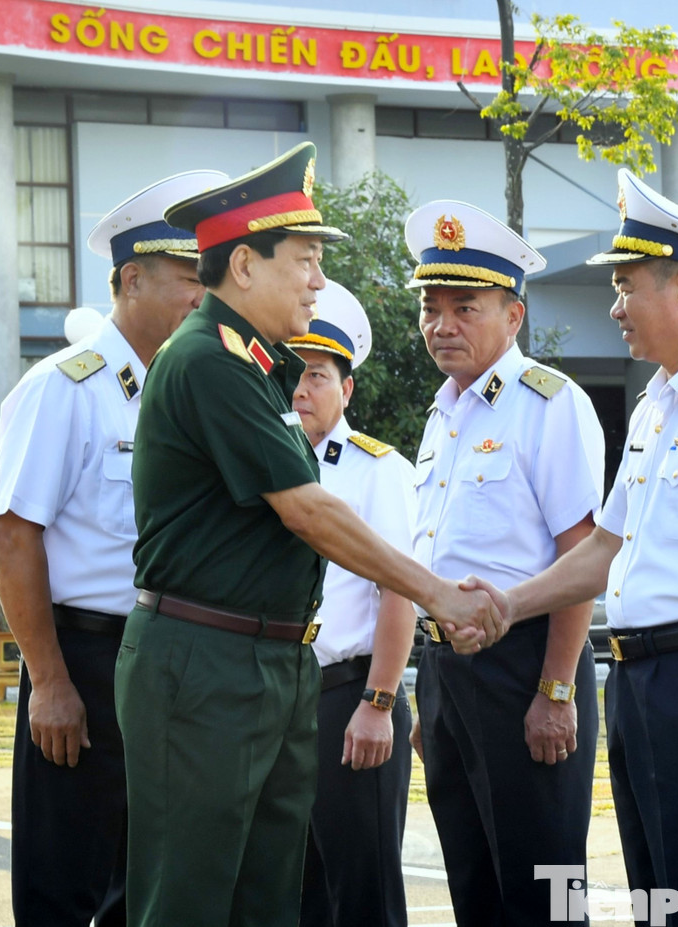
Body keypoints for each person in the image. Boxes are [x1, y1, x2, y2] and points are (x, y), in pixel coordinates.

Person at [114, 141, 501, 927]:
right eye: (306, 259)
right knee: (186, 898)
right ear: (247, 267)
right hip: (206, 666)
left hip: (264, 661)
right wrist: (434, 594)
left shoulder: (255, 366)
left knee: (267, 899)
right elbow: (307, 509)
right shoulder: (208, 361)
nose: (319, 281)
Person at [471, 168, 678, 926]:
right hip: (640, 684)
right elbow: (603, 549)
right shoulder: (659, 403)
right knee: (662, 902)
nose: (615, 309)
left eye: (627, 288)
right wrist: (510, 604)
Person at [0, 168, 226, 927]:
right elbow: (14, 535)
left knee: (151, 884)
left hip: (174, 665)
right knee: (65, 880)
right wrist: (50, 682)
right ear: (130, 279)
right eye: (190, 279)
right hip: (86, 662)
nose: (203, 297)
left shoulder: (188, 390)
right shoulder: (64, 387)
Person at [403, 200, 606, 925]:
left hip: (524, 664)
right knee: (475, 883)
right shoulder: (443, 414)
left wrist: (556, 688)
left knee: (542, 889)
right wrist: (434, 693)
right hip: (449, 672)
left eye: (466, 307)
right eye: (431, 306)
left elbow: (580, 554)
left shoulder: (549, 405)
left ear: (514, 316)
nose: (442, 325)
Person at [286, 280, 417, 927]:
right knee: (293, 891)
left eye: (315, 375)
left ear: (348, 388)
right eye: (291, 374)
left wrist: (379, 701)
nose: (300, 389)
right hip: (280, 697)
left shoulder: (376, 469)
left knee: (361, 891)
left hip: (349, 694)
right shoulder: (271, 466)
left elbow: (398, 589)